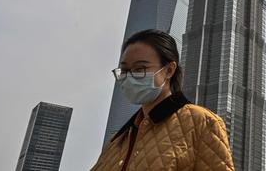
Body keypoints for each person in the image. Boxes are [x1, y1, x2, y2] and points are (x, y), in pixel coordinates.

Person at [91, 29, 234, 171]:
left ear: (169, 70)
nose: (129, 77)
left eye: (140, 69)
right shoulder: (118, 140)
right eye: (124, 71)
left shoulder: (202, 122)